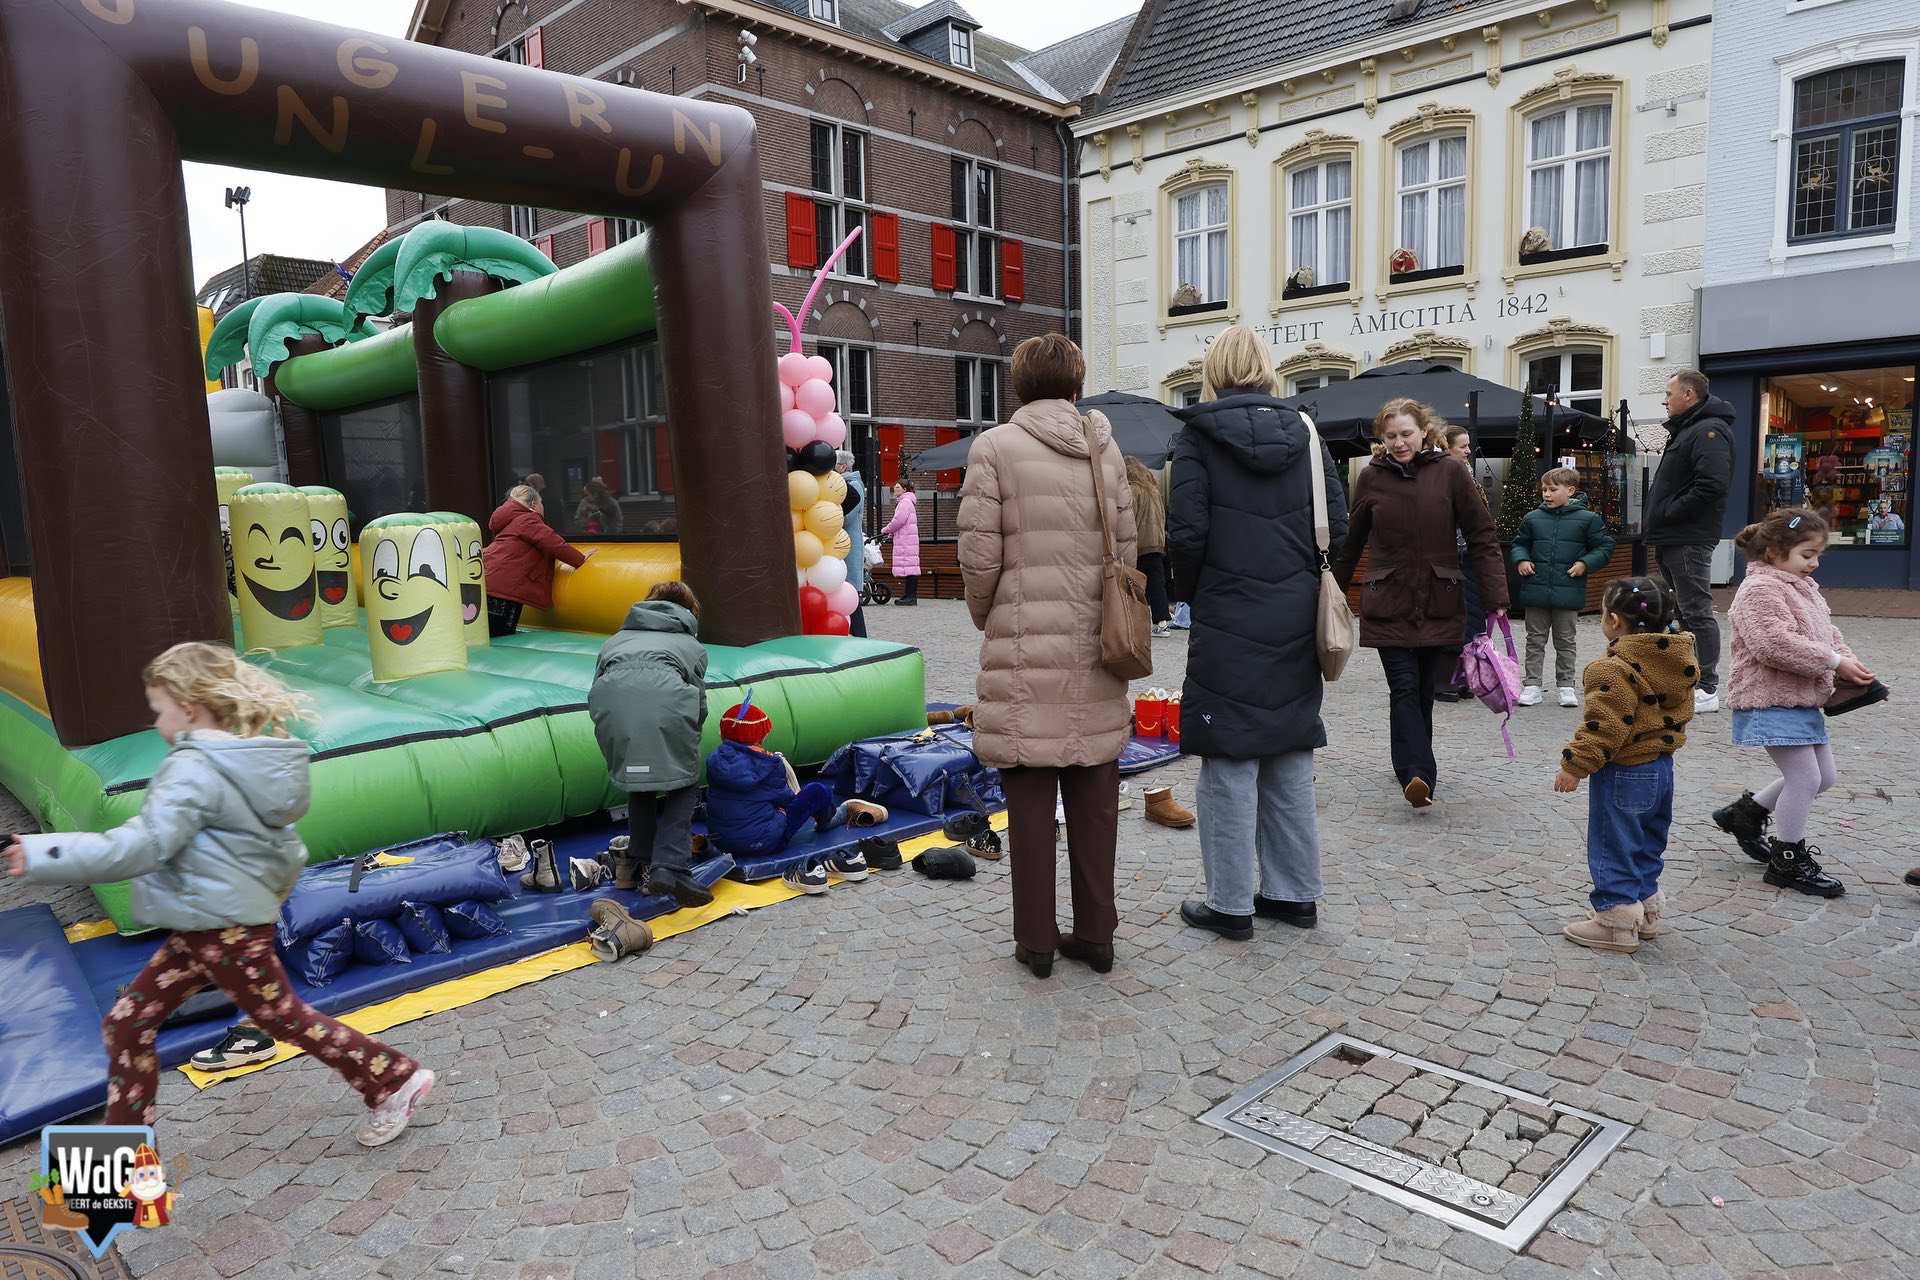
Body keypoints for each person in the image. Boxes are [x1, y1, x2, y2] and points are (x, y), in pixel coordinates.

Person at [3, 643, 434, 1147]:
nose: (156, 723)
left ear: (188, 708)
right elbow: (286, 850)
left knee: (281, 1018)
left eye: (159, 710)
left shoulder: (194, 769)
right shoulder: (249, 764)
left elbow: (140, 846)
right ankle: (126, 1141)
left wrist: (44, 852)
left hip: (222, 930)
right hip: (207, 925)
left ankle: (393, 1078)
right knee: (129, 1023)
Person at [958, 333, 1135, 978]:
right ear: (1077, 384)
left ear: (1019, 385)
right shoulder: (1105, 447)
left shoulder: (995, 447)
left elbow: (978, 558)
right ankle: (1097, 935)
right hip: (1097, 644)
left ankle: (1035, 941)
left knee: (1030, 805)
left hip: (1025, 642)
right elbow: (1128, 547)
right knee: (1095, 800)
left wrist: (992, 615)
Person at [1168, 325, 1343, 941]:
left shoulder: (1198, 436)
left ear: (1214, 371)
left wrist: (1195, 593)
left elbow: (1186, 535)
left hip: (1227, 612)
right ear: (1268, 369)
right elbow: (1337, 525)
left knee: (1229, 756)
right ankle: (1294, 894)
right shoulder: (1307, 433)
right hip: (1294, 612)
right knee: (1290, 749)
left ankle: (1230, 903)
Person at [1334, 398, 1508, 809]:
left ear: (1425, 431)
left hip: (1439, 599)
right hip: (1388, 601)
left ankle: (1412, 767)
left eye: (1406, 434)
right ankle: (1417, 773)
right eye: (1390, 436)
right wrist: (1331, 591)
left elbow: (1482, 535)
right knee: (1403, 688)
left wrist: (1496, 595)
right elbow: (1351, 541)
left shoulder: (1451, 472)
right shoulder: (1371, 478)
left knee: (1424, 691)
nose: (1398, 443)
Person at [1712, 508, 1871, 898]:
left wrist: (1847, 662)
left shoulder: (1802, 587)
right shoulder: (1759, 590)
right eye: (1807, 554)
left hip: (1802, 699)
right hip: (1770, 698)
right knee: (1805, 779)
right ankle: (1787, 861)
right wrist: (1832, 662)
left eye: (1817, 555)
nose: (1814, 563)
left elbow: (1827, 633)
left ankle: (1746, 814)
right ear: (1773, 552)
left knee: (1823, 777)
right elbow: (1772, 644)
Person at [1551, 578, 1696, 953]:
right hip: (1662, 768)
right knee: (1647, 841)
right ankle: (1645, 912)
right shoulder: (1677, 660)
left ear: (1614, 620)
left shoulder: (1611, 669)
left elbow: (1605, 726)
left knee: (1614, 843)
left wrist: (1575, 765)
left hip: (1625, 770)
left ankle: (1615, 922)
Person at [588, 581, 711, 908]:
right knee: (683, 783)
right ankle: (670, 865)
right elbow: (698, 702)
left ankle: (641, 860)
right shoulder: (691, 646)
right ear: (688, 611)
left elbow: (597, 686)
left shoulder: (615, 640)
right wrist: (691, 735)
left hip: (614, 715)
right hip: (666, 710)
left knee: (639, 779)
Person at [703, 695, 886, 893]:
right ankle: (830, 819)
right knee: (817, 791)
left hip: (722, 842)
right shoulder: (770, 764)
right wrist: (778, 766)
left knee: (739, 804)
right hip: (763, 843)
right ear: (760, 736)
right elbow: (788, 798)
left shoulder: (713, 760)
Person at [1645, 369, 1734, 713]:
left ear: (1688, 394)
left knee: (1696, 610)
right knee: (1683, 611)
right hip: (1674, 535)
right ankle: (1690, 679)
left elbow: (1712, 484)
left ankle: (1707, 687)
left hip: (1688, 536)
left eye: (1669, 394)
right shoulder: (1689, 429)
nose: (1665, 401)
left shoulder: (1708, 431)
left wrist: (1670, 512)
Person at [1511, 467, 1617, 708]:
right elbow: (1520, 544)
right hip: (1536, 589)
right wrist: (1521, 559)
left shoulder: (1588, 519)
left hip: (1568, 590)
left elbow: (1604, 547)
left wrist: (1584, 563)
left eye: (1552, 489)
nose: (1546, 494)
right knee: (1534, 640)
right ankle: (1532, 685)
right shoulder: (1532, 518)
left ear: (1570, 490)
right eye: (1544, 489)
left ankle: (1566, 685)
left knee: (1565, 640)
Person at [483, 484, 591, 636]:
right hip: (504, 590)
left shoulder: (511, 522)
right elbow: (553, 543)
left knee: (488, 632)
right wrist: (580, 559)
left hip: (490, 583)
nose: (543, 506)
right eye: (541, 502)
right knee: (501, 633)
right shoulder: (529, 520)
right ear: (534, 504)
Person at [1436, 424, 1485, 702]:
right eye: (1463, 446)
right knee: (1452, 621)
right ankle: (1446, 680)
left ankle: (1465, 677)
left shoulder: (1467, 474)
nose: (1468, 451)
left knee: (1472, 620)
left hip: (1470, 557)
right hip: (1451, 558)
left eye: (1468, 445)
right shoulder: (1440, 477)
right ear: (1447, 448)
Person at [1126, 456, 1172, 636]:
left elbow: (1129, 520)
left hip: (1139, 546)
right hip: (1156, 545)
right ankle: (1162, 623)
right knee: (1156, 585)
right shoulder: (1154, 491)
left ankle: (1134, 623)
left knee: (1133, 585)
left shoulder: (1132, 490)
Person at [836, 451, 869, 637]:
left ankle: (860, 636)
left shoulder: (853, 485)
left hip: (849, 544)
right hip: (841, 543)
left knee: (851, 593)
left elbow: (847, 517)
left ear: (842, 467)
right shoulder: (842, 484)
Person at [880, 479, 921, 605]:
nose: (895, 489)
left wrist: (886, 530)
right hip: (907, 538)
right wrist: (891, 533)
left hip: (906, 540)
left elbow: (898, 520)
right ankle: (909, 595)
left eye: (898, 487)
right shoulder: (906, 501)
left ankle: (911, 597)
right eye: (895, 487)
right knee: (910, 566)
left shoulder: (905, 502)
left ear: (904, 489)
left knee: (910, 567)